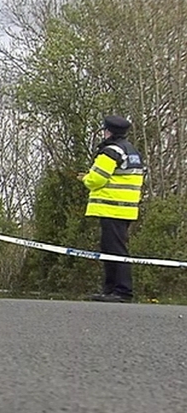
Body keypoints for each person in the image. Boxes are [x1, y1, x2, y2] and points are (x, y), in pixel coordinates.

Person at [77, 115, 145, 303]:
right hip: (127, 209)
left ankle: (121, 291)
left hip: (111, 208)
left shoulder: (110, 152)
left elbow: (97, 179)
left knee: (114, 250)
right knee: (114, 248)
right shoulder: (132, 151)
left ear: (108, 131)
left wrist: (85, 178)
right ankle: (111, 290)